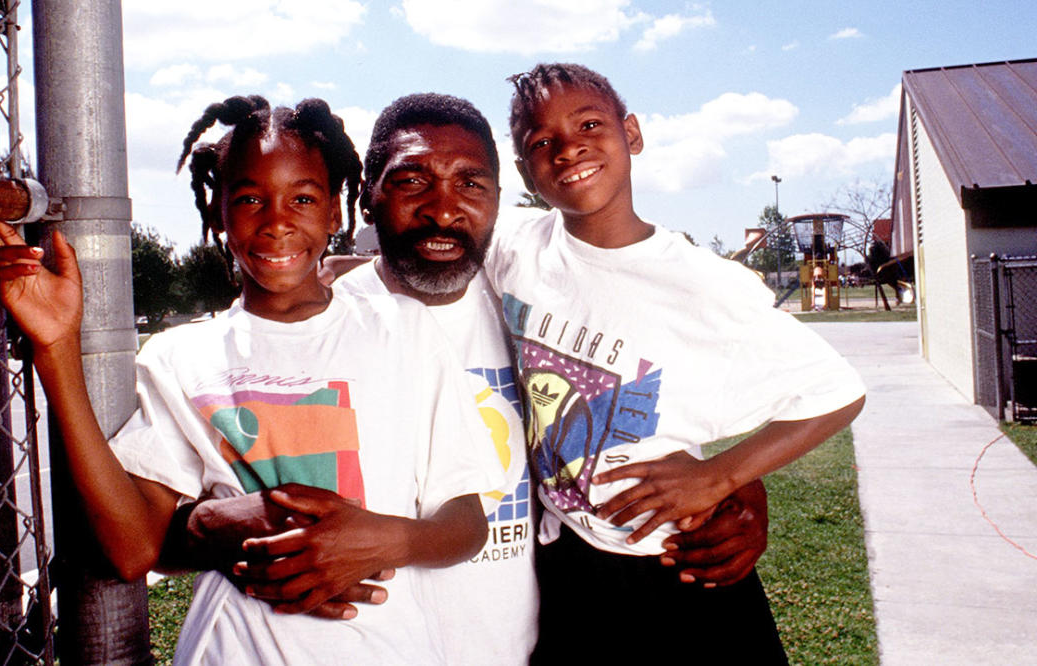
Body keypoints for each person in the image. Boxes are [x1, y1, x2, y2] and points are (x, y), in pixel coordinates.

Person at [191, 92, 778, 664]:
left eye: (470, 184)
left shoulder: (534, 301)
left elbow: (650, 404)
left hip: (528, 639)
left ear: (500, 201)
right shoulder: (325, 325)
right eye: (411, 180)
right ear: (366, 199)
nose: (443, 210)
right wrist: (211, 523)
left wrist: (737, 483)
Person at [0, 95, 503, 665]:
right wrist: (56, 350)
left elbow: (465, 524)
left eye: (302, 198)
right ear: (218, 215)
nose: (277, 222)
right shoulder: (182, 356)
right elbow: (131, 551)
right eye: (250, 199)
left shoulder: (407, 330)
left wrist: (382, 538)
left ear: (335, 212)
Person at [490, 63, 866, 662]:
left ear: (631, 133)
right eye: (542, 142)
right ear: (525, 172)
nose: (569, 149)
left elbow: (835, 392)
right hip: (567, 562)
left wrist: (721, 477)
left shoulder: (702, 284)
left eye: (590, 123)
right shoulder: (515, 246)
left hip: (672, 569)